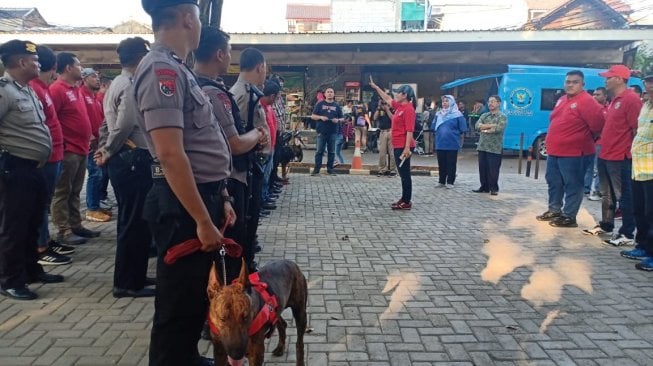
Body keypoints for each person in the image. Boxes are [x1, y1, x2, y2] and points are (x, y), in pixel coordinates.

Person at [135, 1, 235, 364]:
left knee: (194, 295)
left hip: (198, 199)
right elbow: (171, 155)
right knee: (176, 304)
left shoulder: (179, 69)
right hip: (181, 207)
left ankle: (187, 357)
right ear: (187, 19)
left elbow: (201, 146)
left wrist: (220, 196)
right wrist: (203, 221)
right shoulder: (162, 70)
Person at [194, 27, 267, 278]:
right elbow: (233, 142)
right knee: (231, 244)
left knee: (241, 235)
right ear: (219, 54)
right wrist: (257, 135)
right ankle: (234, 291)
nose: (230, 56)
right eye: (228, 51)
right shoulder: (215, 92)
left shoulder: (208, 88)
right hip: (227, 178)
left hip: (225, 181)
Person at [0, 40, 63, 300]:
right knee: (14, 227)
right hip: (15, 168)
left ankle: (31, 269)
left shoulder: (26, 90)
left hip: (34, 168)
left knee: (33, 221)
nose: (39, 64)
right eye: (35, 60)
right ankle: (10, 280)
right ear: (21, 62)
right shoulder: (4, 91)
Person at [95, 36, 154, 298]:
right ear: (140, 58)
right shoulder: (129, 84)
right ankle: (127, 283)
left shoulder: (121, 82)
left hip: (128, 159)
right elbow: (125, 124)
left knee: (138, 221)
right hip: (131, 159)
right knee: (133, 222)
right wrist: (108, 149)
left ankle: (136, 275)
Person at [536, 70, 604, 228]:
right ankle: (554, 209)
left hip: (575, 153)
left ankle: (569, 216)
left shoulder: (587, 101)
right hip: (555, 151)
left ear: (583, 84)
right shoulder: (562, 99)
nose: (570, 85)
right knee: (554, 181)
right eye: (568, 82)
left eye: (575, 82)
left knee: (573, 184)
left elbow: (598, 126)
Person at [583, 65, 642, 243]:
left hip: (619, 156)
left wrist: (627, 152)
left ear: (619, 79)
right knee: (607, 193)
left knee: (624, 195)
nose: (605, 80)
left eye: (609, 77)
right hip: (605, 154)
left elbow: (636, 129)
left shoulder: (631, 99)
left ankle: (627, 233)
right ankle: (607, 224)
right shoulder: (615, 100)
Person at [28, 45, 74, 266]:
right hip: (45, 156)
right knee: (40, 203)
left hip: (56, 152)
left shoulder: (42, 87)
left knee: (44, 202)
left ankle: (45, 239)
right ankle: (40, 246)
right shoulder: (34, 88)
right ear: (54, 66)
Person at [50, 52, 100, 245]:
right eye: (78, 65)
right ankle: (64, 230)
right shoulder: (57, 90)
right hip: (67, 150)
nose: (81, 68)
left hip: (81, 149)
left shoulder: (76, 89)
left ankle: (75, 224)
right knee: (62, 191)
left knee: (75, 190)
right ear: (68, 68)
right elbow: (51, 120)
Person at [230, 47, 272, 270]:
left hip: (249, 164)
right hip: (240, 169)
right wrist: (258, 137)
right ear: (259, 67)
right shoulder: (242, 94)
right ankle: (243, 269)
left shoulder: (250, 91)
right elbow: (234, 134)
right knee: (244, 222)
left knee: (250, 219)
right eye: (265, 68)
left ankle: (246, 264)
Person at [620, 74, 653, 270]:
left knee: (652, 214)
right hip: (639, 168)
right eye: (648, 85)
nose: (650, 89)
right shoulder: (645, 106)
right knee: (639, 210)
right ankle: (642, 245)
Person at [369, 77, 415, 210]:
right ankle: (404, 198)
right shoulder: (400, 107)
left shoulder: (408, 109)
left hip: (403, 145)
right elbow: (387, 99)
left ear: (405, 95)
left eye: (398, 92)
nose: (395, 95)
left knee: (405, 174)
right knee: (403, 173)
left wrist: (407, 148)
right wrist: (377, 88)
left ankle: (406, 201)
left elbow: (409, 130)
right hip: (398, 144)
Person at [80, 67, 111, 223]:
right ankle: (92, 209)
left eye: (98, 76)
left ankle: (96, 205)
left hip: (98, 142)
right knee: (95, 174)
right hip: (88, 144)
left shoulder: (93, 97)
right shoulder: (81, 95)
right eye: (93, 76)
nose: (97, 79)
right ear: (84, 79)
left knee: (99, 175)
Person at [472, 95, 507, 195]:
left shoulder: (502, 116)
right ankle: (484, 186)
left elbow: (498, 129)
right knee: (482, 168)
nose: (490, 103)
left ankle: (494, 188)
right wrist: (490, 126)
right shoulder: (484, 115)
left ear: (498, 103)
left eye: (493, 101)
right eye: (489, 101)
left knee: (493, 169)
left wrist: (484, 128)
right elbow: (477, 126)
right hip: (482, 146)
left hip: (495, 148)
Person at [433, 95, 467, 188]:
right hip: (440, 142)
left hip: (452, 142)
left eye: (447, 101)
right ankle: (441, 181)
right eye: (443, 101)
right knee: (441, 163)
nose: (444, 103)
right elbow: (433, 126)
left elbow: (462, 128)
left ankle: (450, 181)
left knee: (451, 163)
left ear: (452, 102)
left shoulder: (458, 115)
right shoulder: (438, 114)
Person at [310, 87, 342, 176]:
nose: (330, 93)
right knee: (319, 151)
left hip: (333, 131)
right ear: (325, 94)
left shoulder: (337, 106)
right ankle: (316, 170)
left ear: (334, 94)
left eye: (331, 92)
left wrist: (338, 120)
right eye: (328, 92)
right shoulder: (319, 104)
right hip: (321, 131)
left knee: (331, 151)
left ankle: (330, 169)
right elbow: (312, 116)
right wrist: (320, 117)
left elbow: (342, 118)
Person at [586, 87, 609, 201]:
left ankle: (597, 190)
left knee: (598, 168)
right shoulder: (590, 108)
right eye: (594, 94)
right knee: (589, 167)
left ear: (605, 96)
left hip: (602, 143)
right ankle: (586, 188)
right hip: (590, 142)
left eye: (598, 94)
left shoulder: (609, 109)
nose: (594, 97)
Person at [374, 98, 396, 176]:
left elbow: (393, 119)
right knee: (382, 152)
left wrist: (387, 109)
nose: (385, 104)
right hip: (382, 132)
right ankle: (382, 169)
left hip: (391, 131)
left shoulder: (393, 109)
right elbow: (375, 118)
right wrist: (379, 107)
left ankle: (392, 169)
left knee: (392, 152)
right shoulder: (380, 110)